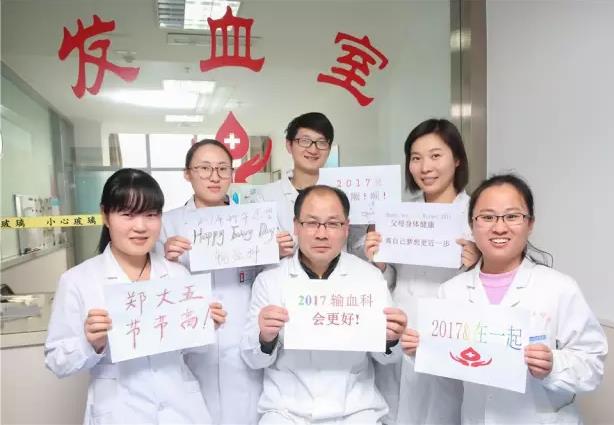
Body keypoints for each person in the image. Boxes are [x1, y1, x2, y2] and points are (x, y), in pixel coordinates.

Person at [401, 173, 608, 424]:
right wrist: (422, 351)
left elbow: (593, 364)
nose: (499, 227)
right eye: (487, 217)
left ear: (530, 223)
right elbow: (447, 378)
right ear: (472, 225)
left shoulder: (559, 288)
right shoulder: (450, 292)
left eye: (512, 216)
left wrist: (553, 364)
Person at [45, 168, 225, 424]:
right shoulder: (78, 280)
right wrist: (91, 344)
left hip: (182, 410)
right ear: (105, 216)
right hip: (120, 411)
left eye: (151, 215)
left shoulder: (177, 275)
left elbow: (193, 350)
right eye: (127, 215)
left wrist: (206, 325)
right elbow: (57, 361)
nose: (140, 227)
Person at [241, 185, 408, 424]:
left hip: (356, 412)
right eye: (311, 223)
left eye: (332, 224)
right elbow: (252, 359)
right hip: (286, 413)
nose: (322, 234)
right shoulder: (270, 280)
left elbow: (388, 359)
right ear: (296, 226)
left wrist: (390, 338)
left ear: (346, 227)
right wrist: (265, 338)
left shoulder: (369, 277)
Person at [364, 118, 480, 424]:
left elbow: (495, 288)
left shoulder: (476, 216)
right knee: (396, 410)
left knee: (442, 412)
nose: (425, 167)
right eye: (416, 158)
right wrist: (380, 264)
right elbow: (392, 280)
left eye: (435, 155)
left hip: (448, 338)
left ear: (457, 159)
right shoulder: (399, 215)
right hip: (400, 333)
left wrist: (475, 266)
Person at [159, 139, 263, 424]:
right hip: (191, 353)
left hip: (243, 350)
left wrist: (280, 250)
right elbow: (152, 287)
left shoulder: (254, 222)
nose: (214, 177)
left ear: (232, 173)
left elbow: (269, 280)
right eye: (204, 168)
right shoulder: (167, 224)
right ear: (187, 173)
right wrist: (164, 260)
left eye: (222, 168)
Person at [254, 112, 367, 259]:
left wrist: (371, 239)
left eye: (321, 142)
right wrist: (273, 251)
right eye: (305, 141)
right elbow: (255, 252)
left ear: (329, 148)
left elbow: (356, 249)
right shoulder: (265, 196)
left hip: (338, 273)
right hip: (282, 273)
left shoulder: (345, 193)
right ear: (289, 145)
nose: (313, 150)